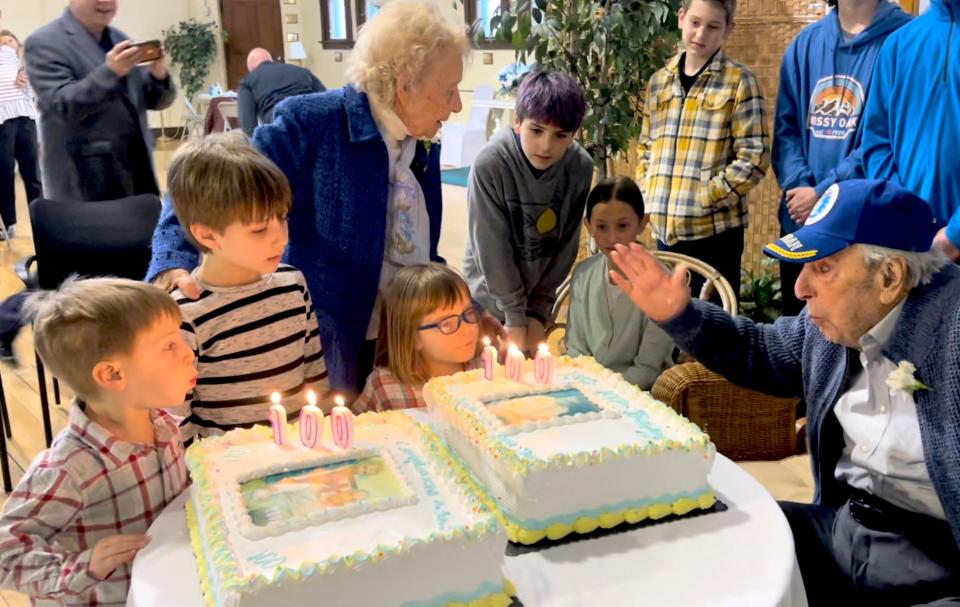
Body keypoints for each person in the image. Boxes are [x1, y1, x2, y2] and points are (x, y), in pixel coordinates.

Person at [609, 179, 960, 606]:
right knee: (704, 537)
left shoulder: (952, 333)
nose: (800, 288)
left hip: (940, 562)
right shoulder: (830, 329)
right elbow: (758, 349)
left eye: (823, 268)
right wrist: (680, 315)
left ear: (889, 276)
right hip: (843, 527)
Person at [146, 0, 471, 396]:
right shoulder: (314, 122)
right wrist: (171, 258)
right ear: (406, 84)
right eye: (449, 91)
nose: (456, 105)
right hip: (332, 341)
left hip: (405, 333)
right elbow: (211, 179)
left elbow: (417, 245)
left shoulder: (420, 141)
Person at [0, 277, 194, 605]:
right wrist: (84, 567)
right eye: (169, 346)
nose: (189, 353)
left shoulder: (161, 423)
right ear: (113, 375)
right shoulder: (69, 469)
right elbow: (6, 554)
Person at [164, 132, 329, 440]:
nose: (280, 237)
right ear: (209, 235)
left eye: (281, 218)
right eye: (258, 229)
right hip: (227, 475)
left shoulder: (293, 284)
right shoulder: (184, 314)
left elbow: (315, 375)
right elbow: (177, 421)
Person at [772, 0, 909, 315]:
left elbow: (886, 136)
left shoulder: (903, 39)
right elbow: (786, 129)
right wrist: (801, 187)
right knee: (801, 333)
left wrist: (824, 194)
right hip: (801, 219)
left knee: (860, 337)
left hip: (864, 224)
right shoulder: (804, 44)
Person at [637, 0, 769, 302]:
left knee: (713, 334)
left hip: (714, 234)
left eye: (713, 27)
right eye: (695, 22)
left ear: (728, 30)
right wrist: (649, 192)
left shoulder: (740, 82)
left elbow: (755, 157)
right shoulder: (659, 82)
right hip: (665, 235)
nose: (701, 34)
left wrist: (705, 196)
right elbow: (646, 146)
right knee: (670, 331)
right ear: (681, 19)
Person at [463, 70, 593, 355]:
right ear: (518, 122)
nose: (546, 146)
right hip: (489, 301)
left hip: (534, 302)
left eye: (560, 136)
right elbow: (490, 245)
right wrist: (514, 316)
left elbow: (565, 245)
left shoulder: (580, 167)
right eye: (537, 130)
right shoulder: (491, 164)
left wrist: (537, 311)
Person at [24, 0, 176, 202]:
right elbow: (60, 104)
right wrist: (110, 72)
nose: (105, 2)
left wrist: (159, 76)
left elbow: (155, 102)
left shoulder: (119, 39)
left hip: (136, 176)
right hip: (84, 181)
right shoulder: (44, 42)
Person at [861, 0, 960, 261]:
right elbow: (877, 143)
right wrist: (902, 214)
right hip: (910, 243)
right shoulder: (898, 45)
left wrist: (955, 235)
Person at [565, 177, 674, 389]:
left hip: (643, 394)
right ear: (588, 225)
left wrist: (607, 389)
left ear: (642, 223)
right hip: (587, 388)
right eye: (602, 227)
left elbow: (649, 367)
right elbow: (575, 348)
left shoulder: (660, 280)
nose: (612, 237)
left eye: (623, 226)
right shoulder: (583, 274)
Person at [353, 263, 480, 413]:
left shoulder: (486, 371)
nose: (467, 329)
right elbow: (357, 431)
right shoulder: (384, 385)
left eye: (469, 313)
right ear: (413, 338)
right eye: (446, 324)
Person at [0, 29, 42, 236]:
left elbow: (32, 94)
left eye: (10, 40)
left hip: (26, 120)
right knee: (4, 173)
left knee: (33, 173)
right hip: (2, 122)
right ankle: (9, 223)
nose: (7, 44)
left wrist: (25, 81)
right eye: (3, 42)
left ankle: (42, 220)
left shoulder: (24, 66)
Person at [237, 47, 326, 136]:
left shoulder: (248, 81)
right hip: (310, 120)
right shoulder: (301, 71)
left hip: (280, 126)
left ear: (251, 68)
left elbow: (247, 125)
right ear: (271, 60)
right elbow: (325, 97)